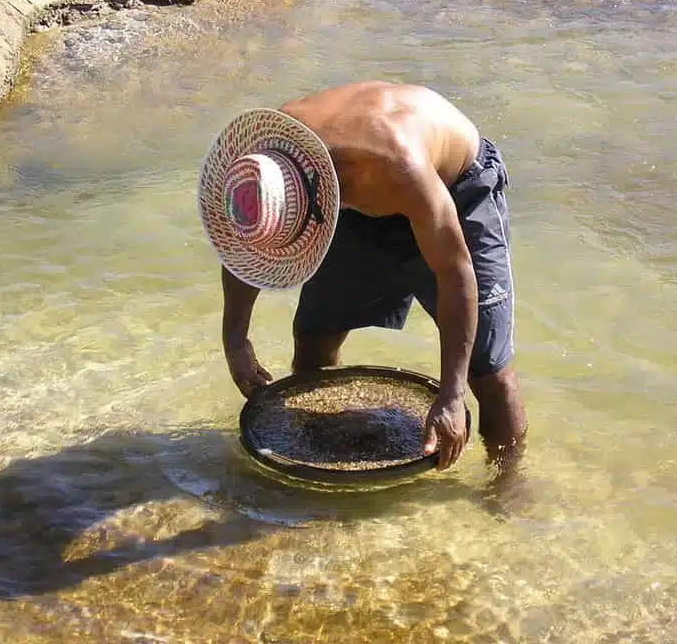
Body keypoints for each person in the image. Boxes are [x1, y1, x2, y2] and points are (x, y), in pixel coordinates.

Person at [197, 80, 527, 470]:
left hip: (456, 188)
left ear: (314, 211)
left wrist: (452, 395)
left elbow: (455, 272)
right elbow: (244, 243)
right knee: (313, 342)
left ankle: (507, 485)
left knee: (487, 371)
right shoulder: (263, 166)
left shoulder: (396, 162)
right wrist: (235, 338)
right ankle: (322, 458)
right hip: (353, 201)